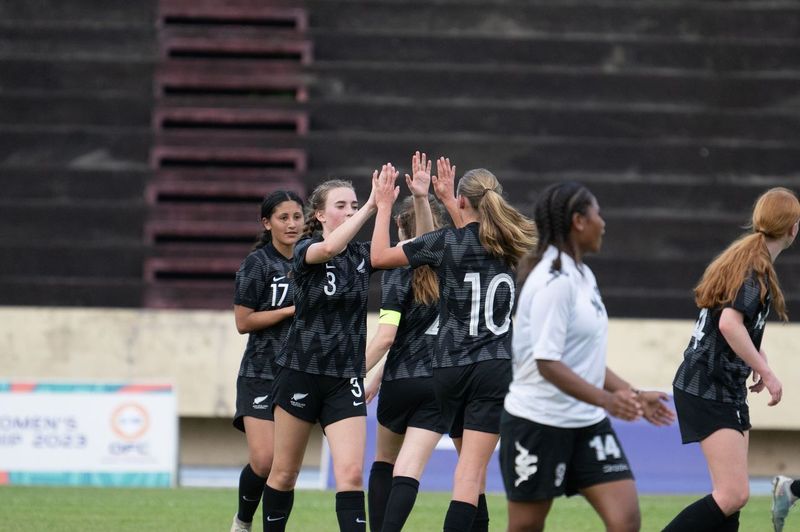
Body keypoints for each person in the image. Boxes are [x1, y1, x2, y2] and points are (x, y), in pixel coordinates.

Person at [371, 158, 537, 531]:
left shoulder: (446, 242)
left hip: (448, 369)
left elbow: (379, 257)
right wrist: (448, 200)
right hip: (492, 367)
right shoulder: (510, 243)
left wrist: (383, 206)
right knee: (470, 475)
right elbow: (477, 238)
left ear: (462, 201)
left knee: (470, 474)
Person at [499, 181, 675, 532]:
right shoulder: (553, 282)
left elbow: (585, 359)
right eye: (598, 214)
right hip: (537, 424)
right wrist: (608, 401)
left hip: (586, 423)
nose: (603, 223)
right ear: (579, 221)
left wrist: (633, 394)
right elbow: (547, 364)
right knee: (525, 527)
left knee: (626, 521)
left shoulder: (583, 276)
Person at [260, 169, 398, 532]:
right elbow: (331, 248)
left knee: (351, 474)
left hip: (344, 379)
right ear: (320, 214)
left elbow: (395, 253)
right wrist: (371, 206)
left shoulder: (363, 255)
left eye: (354, 204)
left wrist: (394, 204)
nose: (350, 210)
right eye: (341, 205)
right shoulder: (305, 249)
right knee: (285, 473)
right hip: (300, 372)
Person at [664, 187, 800, 531]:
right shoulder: (752, 270)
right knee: (733, 494)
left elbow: (733, 325)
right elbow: (728, 323)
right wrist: (766, 371)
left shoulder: (749, 261)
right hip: (707, 386)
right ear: (793, 227)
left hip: (720, 385)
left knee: (730, 500)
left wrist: (755, 358)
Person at [365, 154, 448, 532]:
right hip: (440, 381)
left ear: (401, 229)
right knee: (410, 470)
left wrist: (354, 374)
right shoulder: (451, 270)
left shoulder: (398, 274)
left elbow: (388, 337)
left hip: (401, 381)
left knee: (384, 461)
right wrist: (422, 197)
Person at [230, 190, 304, 532]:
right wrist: (290, 310)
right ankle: (242, 521)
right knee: (264, 460)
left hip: (299, 373)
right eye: (283, 217)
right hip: (260, 372)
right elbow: (243, 321)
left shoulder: (312, 260)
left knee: (284, 468)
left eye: (297, 216)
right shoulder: (257, 264)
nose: (291, 224)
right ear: (267, 223)